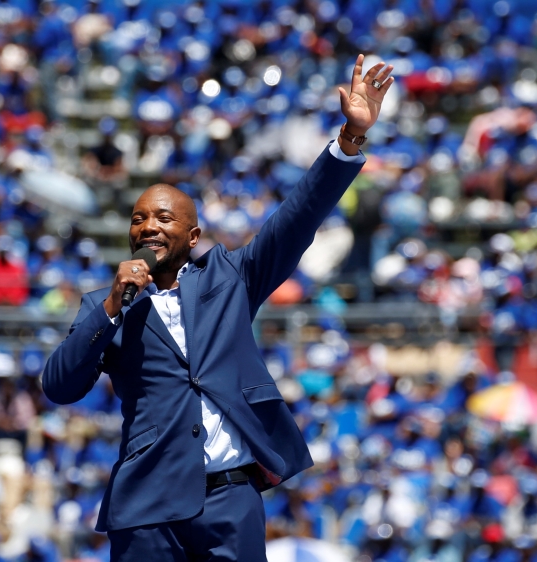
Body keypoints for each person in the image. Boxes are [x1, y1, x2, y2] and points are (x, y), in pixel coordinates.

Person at [43, 54, 394, 561]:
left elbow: (296, 219)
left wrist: (349, 140)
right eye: (139, 218)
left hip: (230, 502)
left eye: (164, 217)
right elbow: (59, 384)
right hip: (147, 508)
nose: (149, 227)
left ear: (192, 235)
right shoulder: (106, 306)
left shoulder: (230, 278)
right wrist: (113, 308)